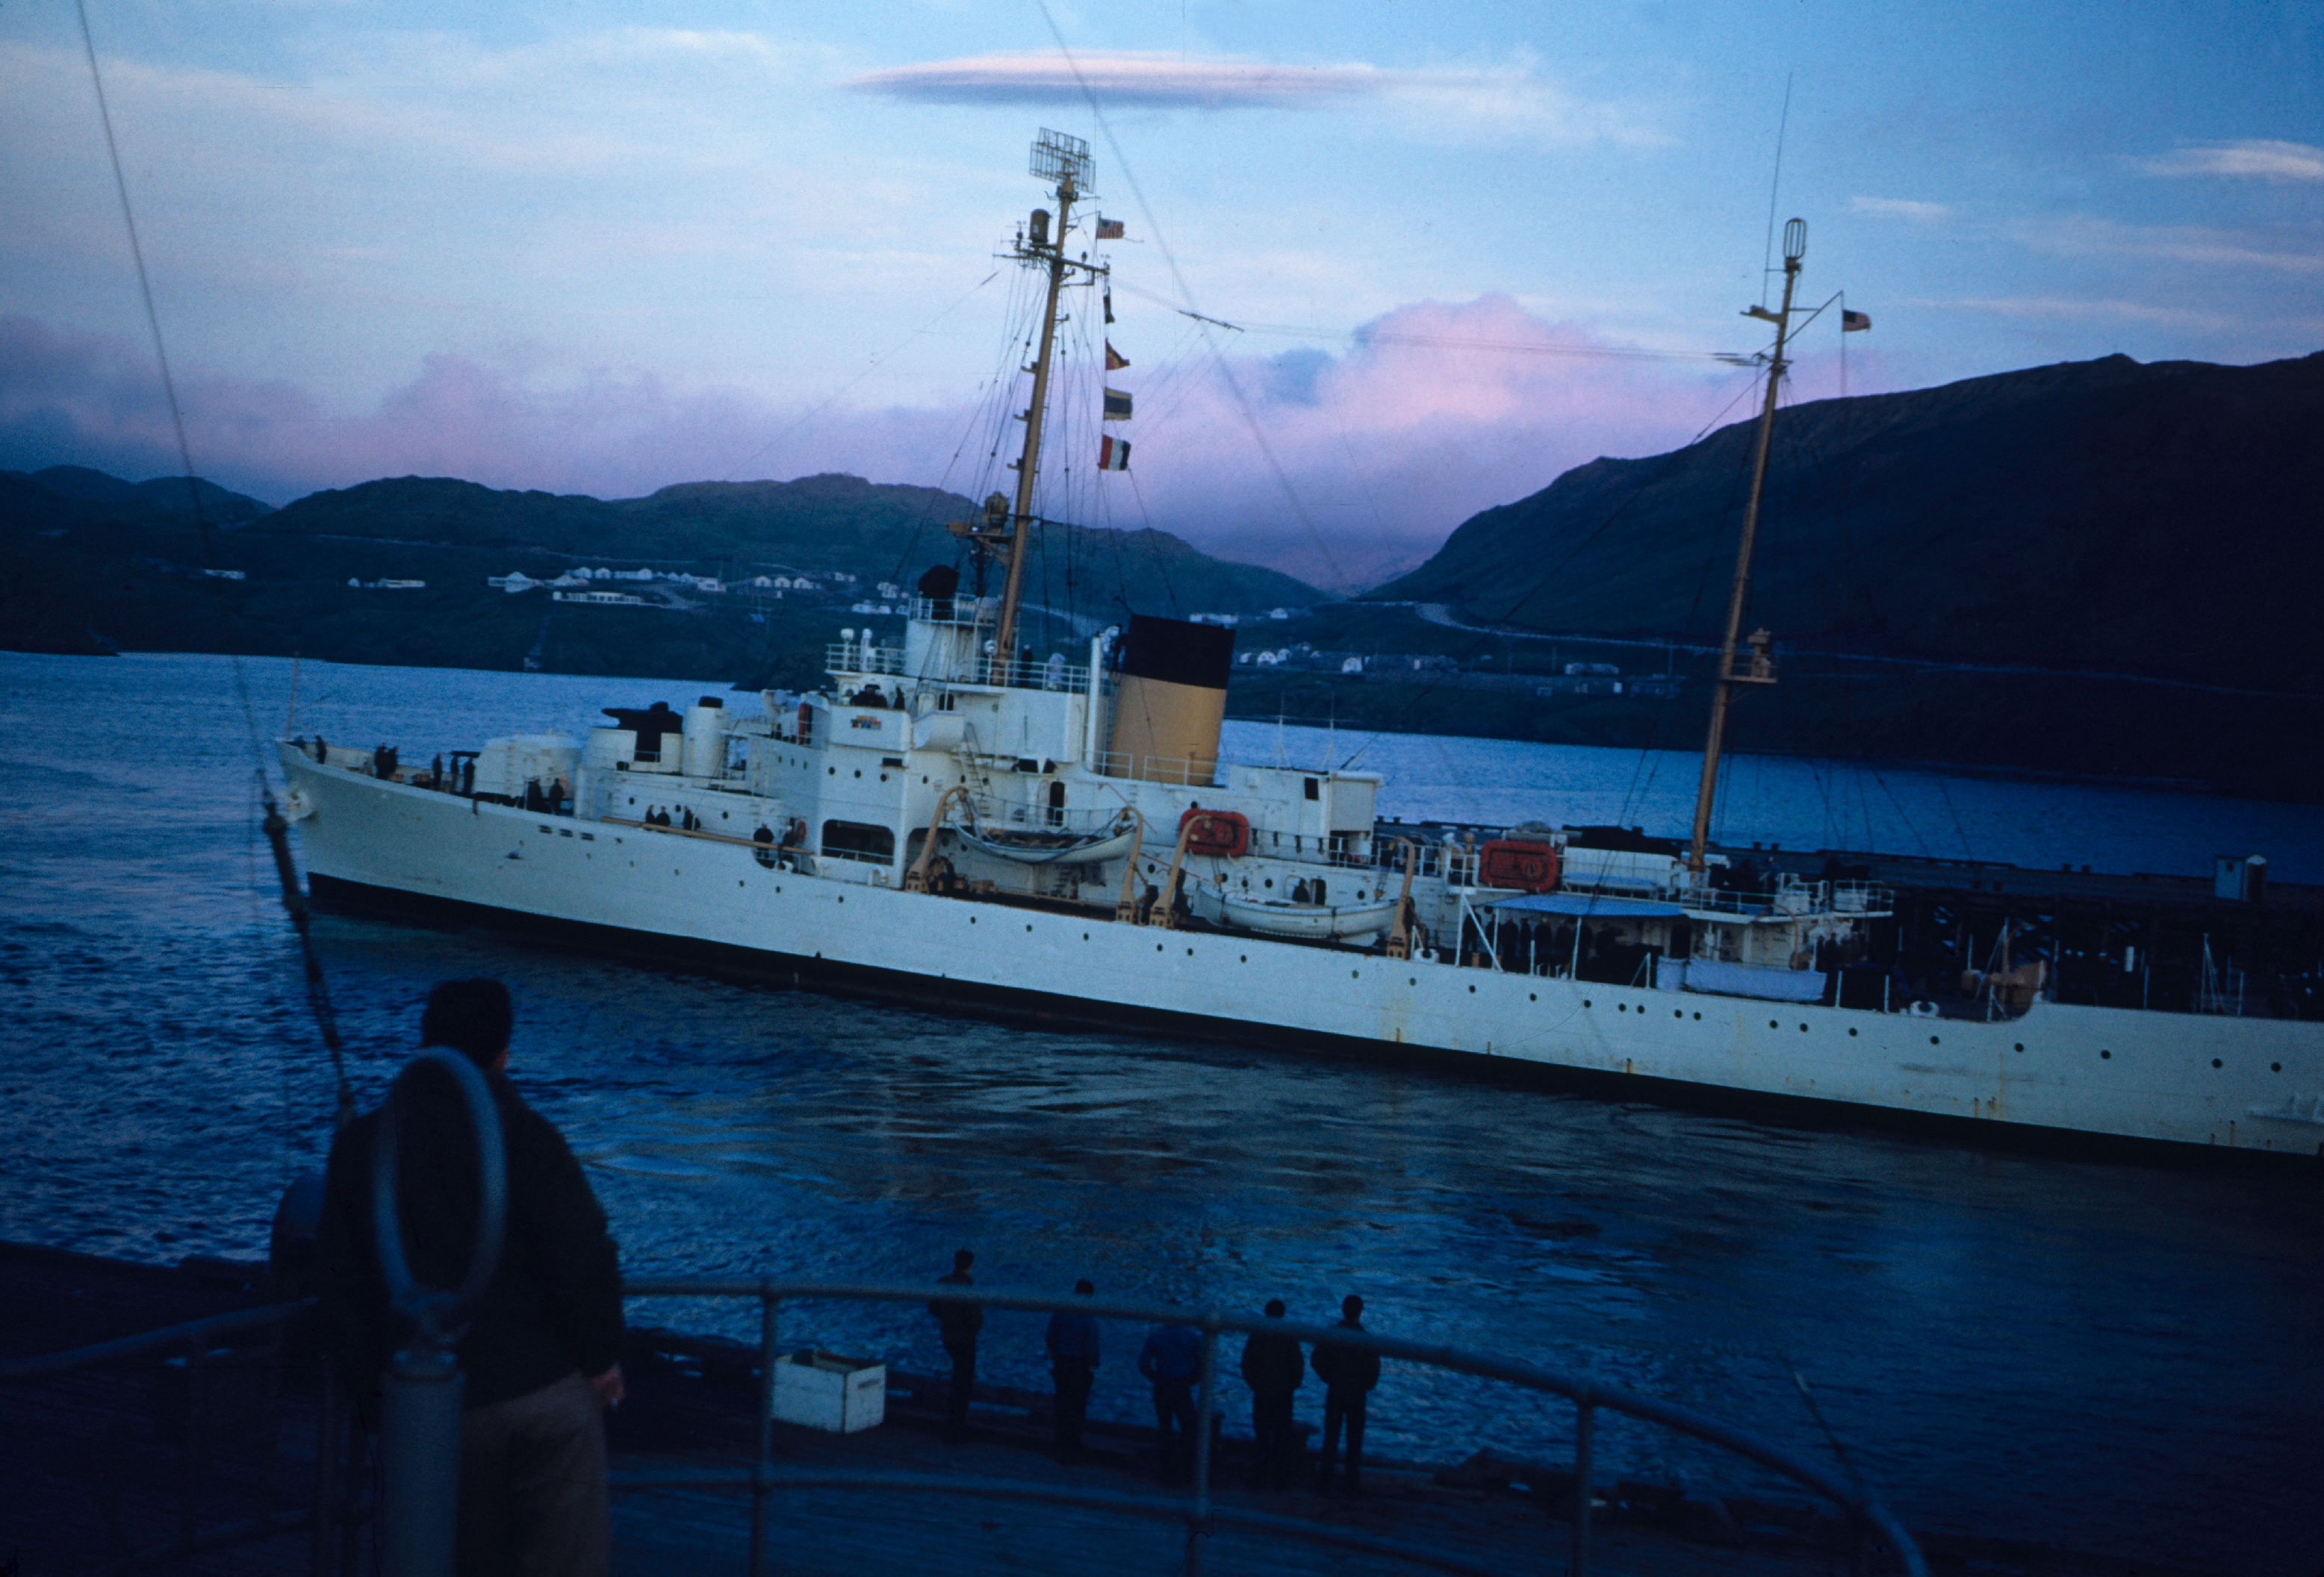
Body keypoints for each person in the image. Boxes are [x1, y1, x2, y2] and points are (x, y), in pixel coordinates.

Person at [315, 978, 624, 1577]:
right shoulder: (528, 1140)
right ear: (504, 1054)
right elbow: (582, 1256)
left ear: (423, 1041)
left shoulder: (364, 1145)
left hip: (427, 1403)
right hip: (538, 1389)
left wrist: (376, 1396)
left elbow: (339, 1281)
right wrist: (600, 1358)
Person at [1310, 1294, 1380, 1499]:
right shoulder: (1366, 1339)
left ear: (1343, 1309)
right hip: (1357, 1393)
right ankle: (1351, 1484)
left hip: (1336, 1389)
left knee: (1331, 1437)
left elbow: (1316, 1360)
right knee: (1354, 1440)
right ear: (1360, 1311)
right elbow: (1373, 1370)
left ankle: (1324, 1482)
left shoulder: (1332, 1334)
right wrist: (1364, 1385)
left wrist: (1328, 1376)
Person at [1239, 1299, 1303, 1491]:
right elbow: (1297, 1364)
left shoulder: (1258, 1334)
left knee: (1262, 1435)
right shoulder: (1289, 1335)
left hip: (1263, 1390)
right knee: (1282, 1436)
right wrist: (1292, 1385)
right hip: (1283, 1392)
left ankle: (1260, 1476)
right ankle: (1280, 1479)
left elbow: (1247, 1362)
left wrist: (1254, 1383)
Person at [1044, 1279, 1102, 1461]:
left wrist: (1054, 1357)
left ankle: (1060, 1444)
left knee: (1062, 1405)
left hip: (1061, 1362)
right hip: (1079, 1366)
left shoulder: (1061, 1312)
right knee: (1077, 1408)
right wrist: (1093, 1366)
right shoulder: (1089, 1319)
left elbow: (1050, 1336)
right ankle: (1072, 1448)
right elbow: (1091, 1348)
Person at [1137, 1322, 1202, 1482]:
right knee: (1188, 1427)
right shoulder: (1191, 1337)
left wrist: (1154, 1376)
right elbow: (1200, 1363)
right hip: (1181, 1385)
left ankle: (1168, 1469)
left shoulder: (1155, 1337)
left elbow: (1143, 1363)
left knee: (1165, 1426)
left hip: (1163, 1383)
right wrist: (1194, 1378)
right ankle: (1189, 1469)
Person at [929, 1249, 981, 1443]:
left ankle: (952, 1426)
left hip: (948, 1337)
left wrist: (947, 1319)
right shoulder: (966, 1289)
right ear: (970, 1266)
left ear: (954, 1263)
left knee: (957, 1382)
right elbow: (975, 1320)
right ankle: (956, 1429)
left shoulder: (943, 1284)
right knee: (963, 1385)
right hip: (964, 1341)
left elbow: (932, 1307)